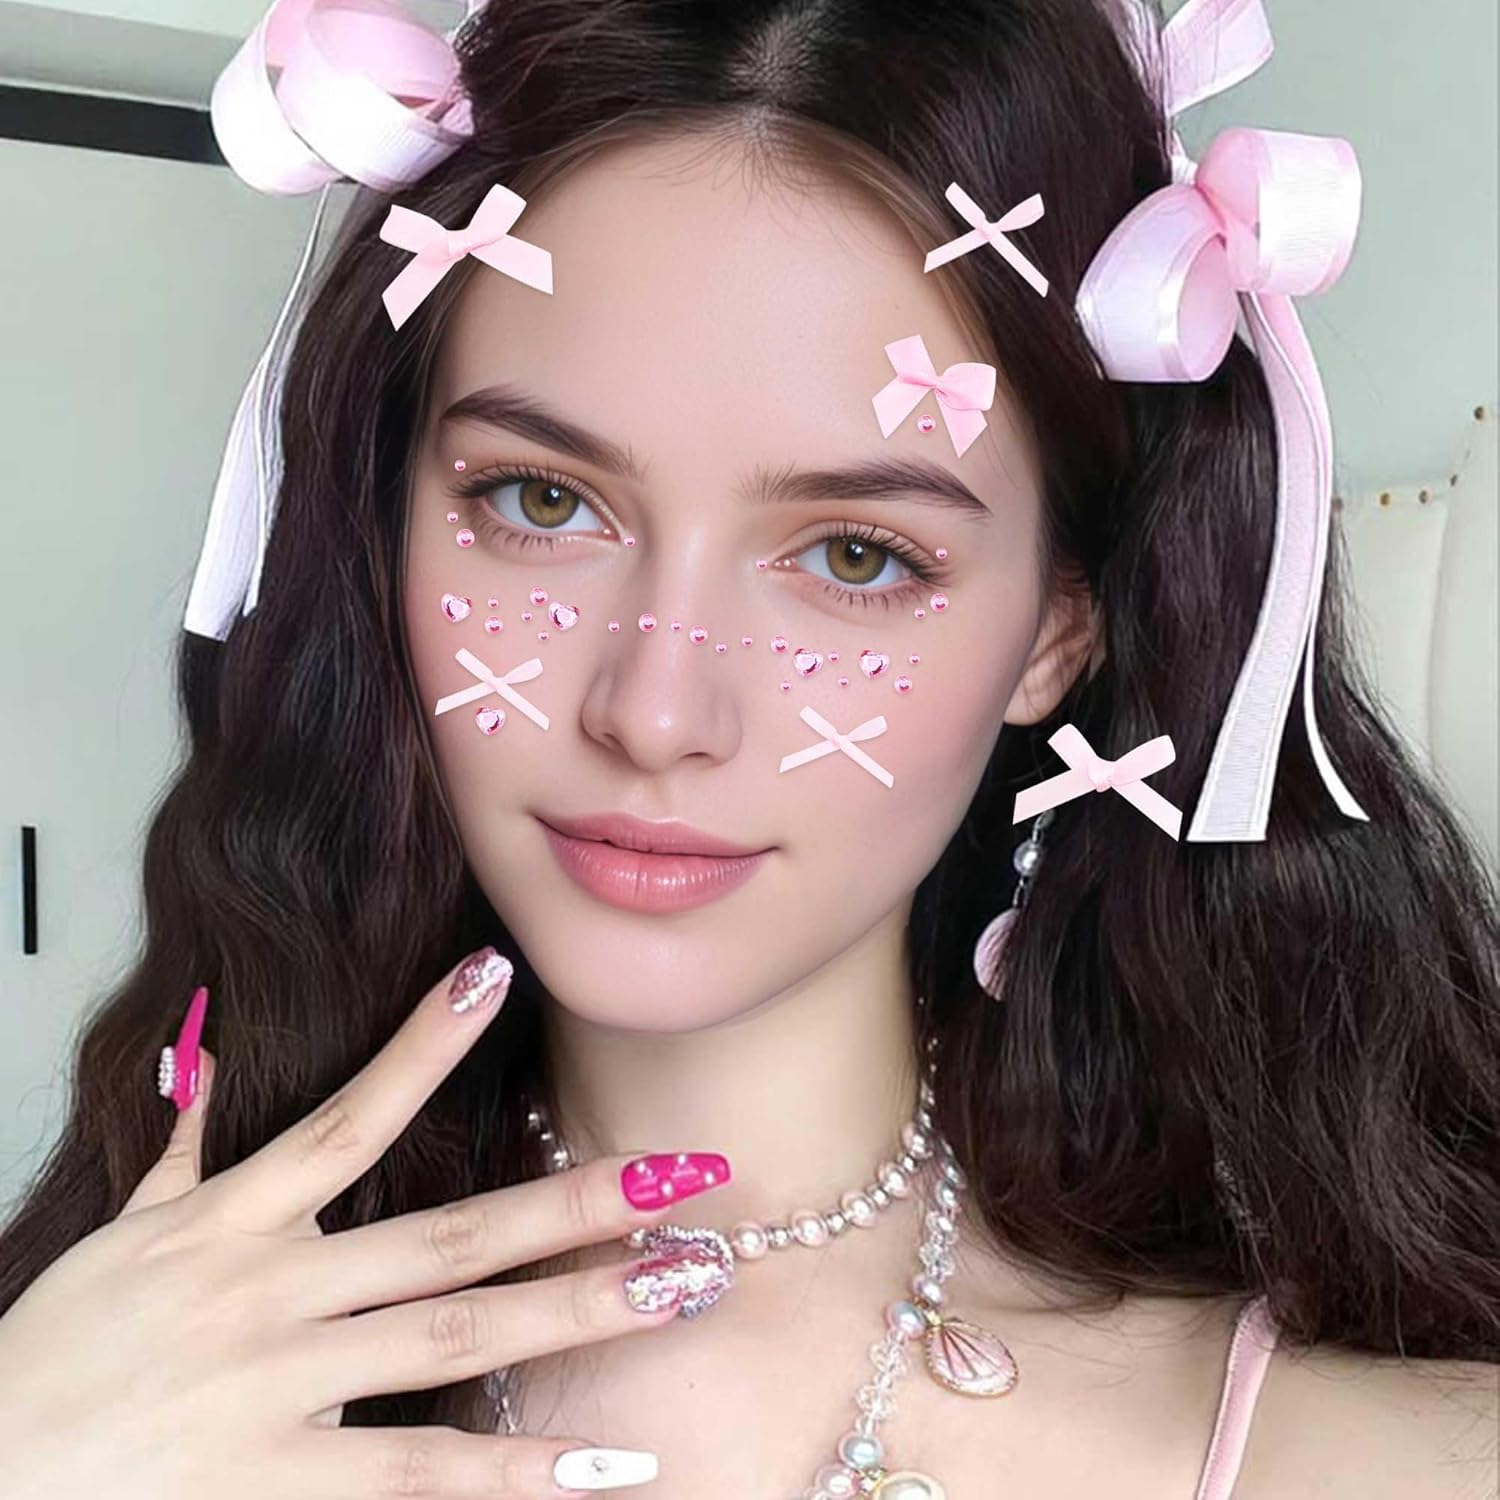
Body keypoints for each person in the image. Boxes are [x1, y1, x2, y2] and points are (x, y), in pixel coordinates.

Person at [1, 0, 1496, 1496]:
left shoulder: (1376, 1453)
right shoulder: (96, 1382)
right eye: (539, 502)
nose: (654, 712)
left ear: (1059, 627)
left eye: (854, 557)